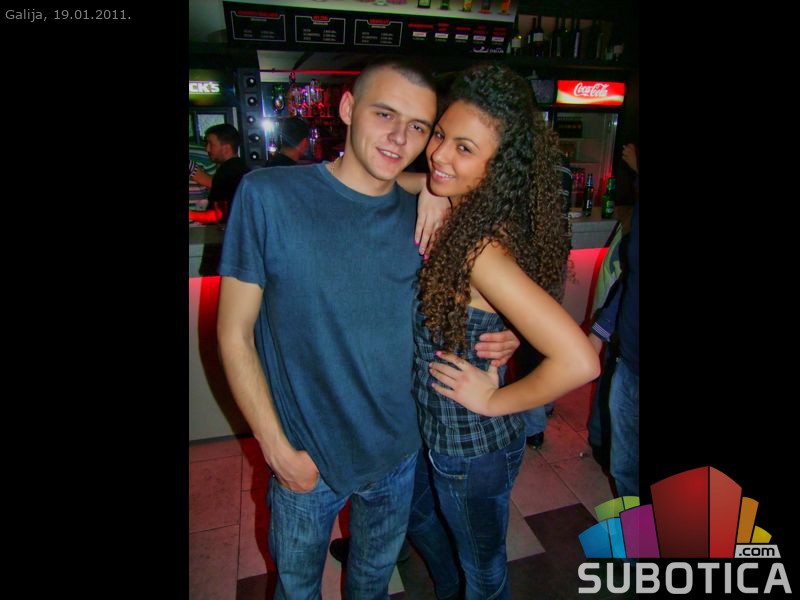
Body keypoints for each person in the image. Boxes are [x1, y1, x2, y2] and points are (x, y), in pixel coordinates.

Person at [216, 57, 518, 599]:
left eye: (418, 126)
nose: (400, 137)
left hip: (397, 455)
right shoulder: (268, 196)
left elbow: (478, 285)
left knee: (372, 585)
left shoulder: (425, 214)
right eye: (385, 114)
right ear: (348, 108)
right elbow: (233, 333)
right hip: (306, 455)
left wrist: (503, 333)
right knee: (297, 589)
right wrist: (277, 450)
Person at [398, 63, 600, 600]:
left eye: (464, 148)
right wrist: (432, 190)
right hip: (443, 434)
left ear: (498, 166)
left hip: (471, 449)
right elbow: (383, 177)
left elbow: (580, 361)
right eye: (441, 134)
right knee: (424, 520)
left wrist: (492, 401)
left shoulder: (480, 250)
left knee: (484, 571)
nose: (439, 154)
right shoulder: (468, 210)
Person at [589, 142, 639, 498]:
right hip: (629, 363)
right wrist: (599, 332)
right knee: (624, 469)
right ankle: (640, 536)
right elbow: (631, 279)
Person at [189, 123, 249, 224]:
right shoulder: (241, 167)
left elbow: (218, 215)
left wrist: (191, 214)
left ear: (226, 148)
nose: (207, 149)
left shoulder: (226, 173)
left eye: (211, 144)